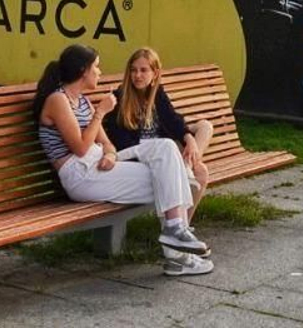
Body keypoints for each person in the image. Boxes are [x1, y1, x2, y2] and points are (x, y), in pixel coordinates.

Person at [34, 45, 212, 277]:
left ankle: (174, 232)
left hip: (99, 164)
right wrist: (100, 113)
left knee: (167, 149)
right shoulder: (58, 100)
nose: (100, 72)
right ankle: (176, 253)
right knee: (177, 178)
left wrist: (109, 154)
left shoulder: (83, 102)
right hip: (79, 175)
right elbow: (79, 148)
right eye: (96, 67)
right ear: (82, 70)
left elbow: (107, 144)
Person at [104, 48, 215, 215]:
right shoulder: (120, 97)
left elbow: (172, 119)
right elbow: (119, 139)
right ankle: (185, 176)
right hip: (142, 153)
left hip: (165, 147)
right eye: (133, 70)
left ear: (155, 73)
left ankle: (183, 225)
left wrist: (189, 140)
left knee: (205, 128)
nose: (137, 75)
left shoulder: (157, 93)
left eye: (143, 70)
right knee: (197, 170)